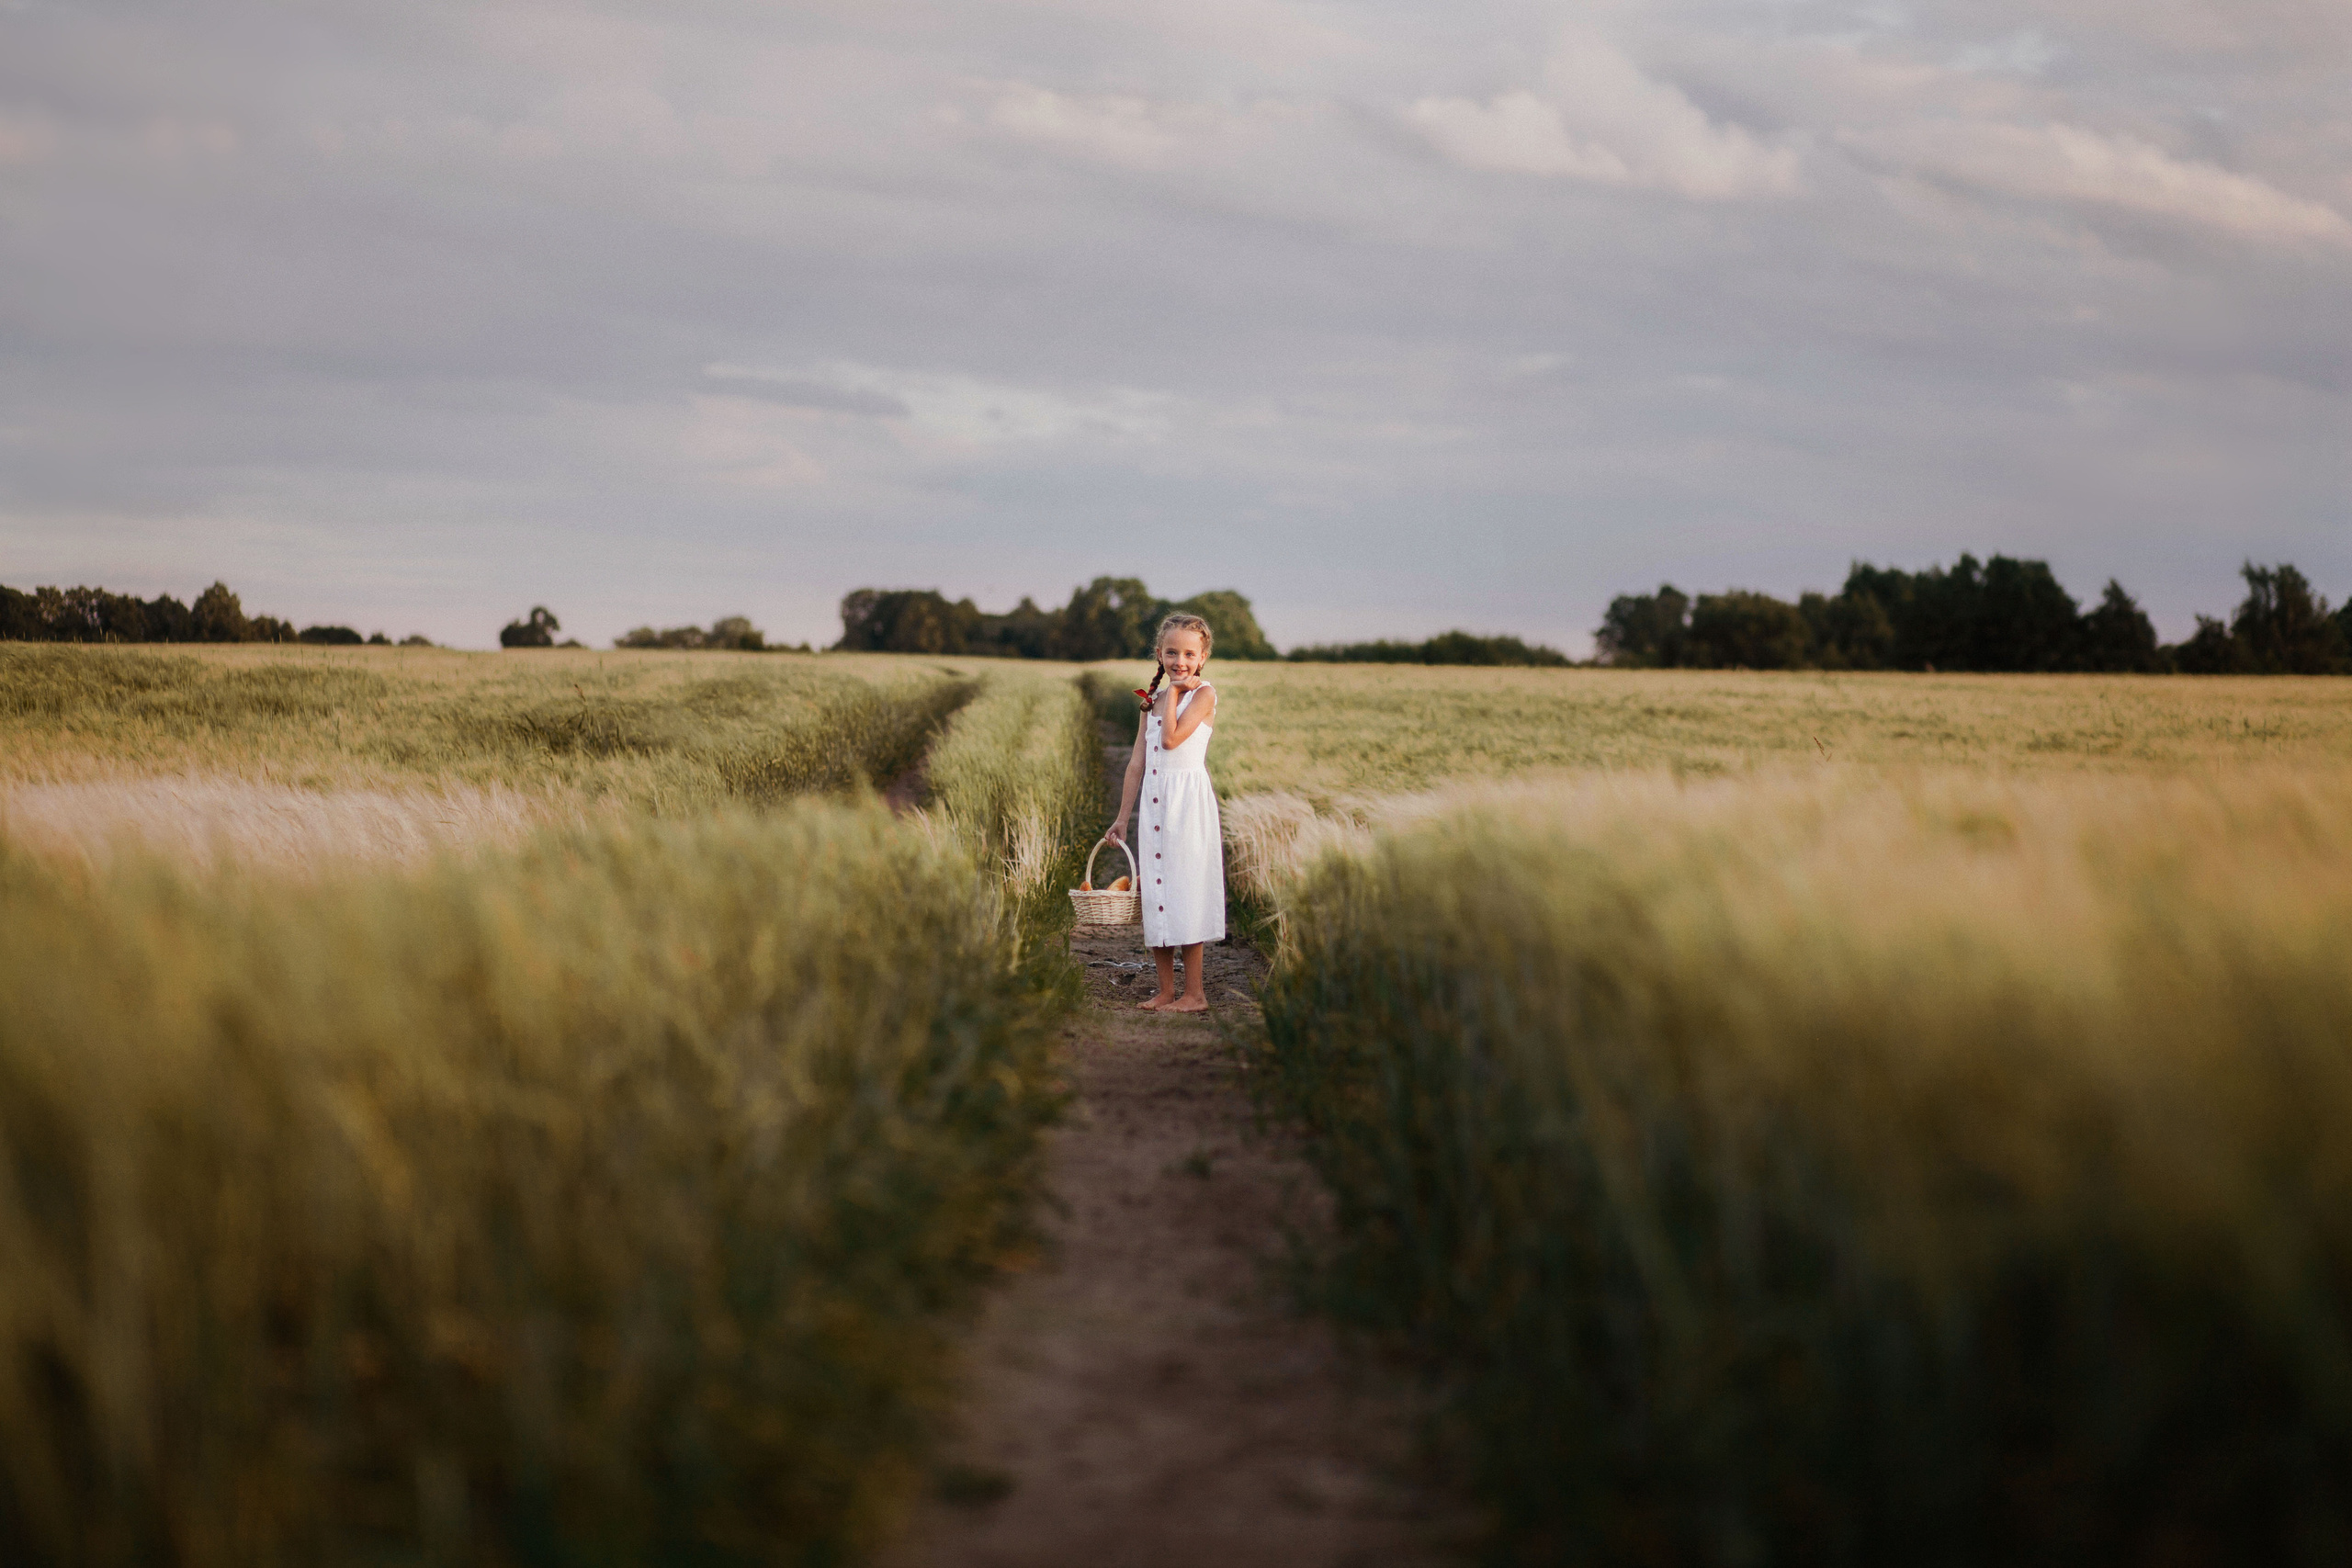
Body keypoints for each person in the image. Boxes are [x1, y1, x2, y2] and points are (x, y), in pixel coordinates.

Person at [1106, 613, 1224, 1012]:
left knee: (1185, 891)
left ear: (1203, 657)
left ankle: (1196, 994)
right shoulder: (1150, 702)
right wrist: (1123, 817)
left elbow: (1172, 739)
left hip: (1186, 806)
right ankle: (1166, 991)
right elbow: (1137, 762)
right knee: (1157, 890)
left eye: (1189, 653)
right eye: (1172, 652)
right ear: (1159, 653)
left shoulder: (1203, 694)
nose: (1180, 661)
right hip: (1155, 805)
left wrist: (1172, 694)